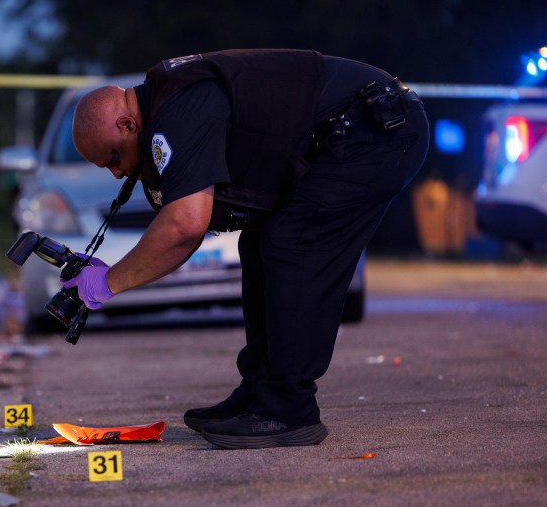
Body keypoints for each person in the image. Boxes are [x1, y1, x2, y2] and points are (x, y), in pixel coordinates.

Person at [64, 49, 429, 449]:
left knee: (293, 243)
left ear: (127, 123)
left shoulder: (177, 113)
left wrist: (107, 283)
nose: (117, 172)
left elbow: (185, 227)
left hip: (378, 129)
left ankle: (289, 409)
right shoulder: (170, 99)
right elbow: (190, 227)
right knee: (259, 239)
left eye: (114, 157)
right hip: (354, 130)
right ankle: (260, 393)